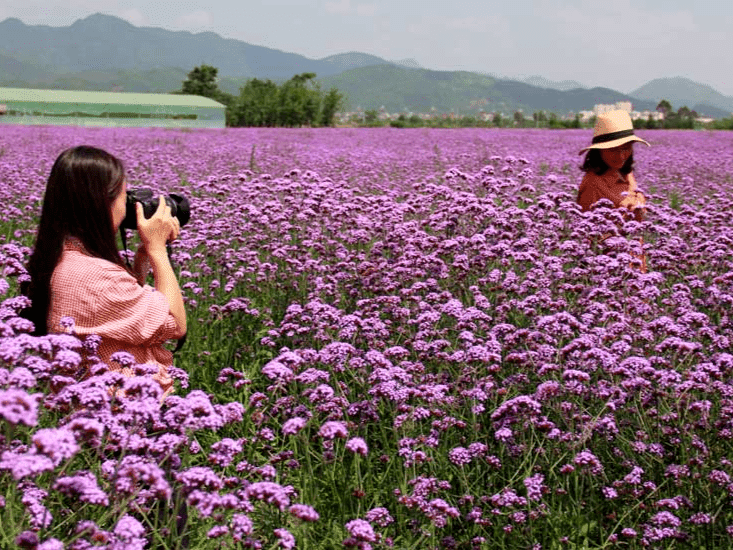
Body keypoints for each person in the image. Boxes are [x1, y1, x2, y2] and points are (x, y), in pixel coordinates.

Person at [22, 145, 186, 396]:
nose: (129, 207)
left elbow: (117, 316)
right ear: (102, 203)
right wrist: (158, 251)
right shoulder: (96, 276)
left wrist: (141, 259)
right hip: (120, 417)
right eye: (124, 196)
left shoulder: (58, 258)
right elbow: (174, 325)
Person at [577, 110, 649, 272]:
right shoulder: (593, 183)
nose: (621, 155)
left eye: (626, 148)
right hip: (609, 269)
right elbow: (587, 234)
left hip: (635, 263)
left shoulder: (627, 174)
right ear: (599, 151)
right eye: (613, 149)